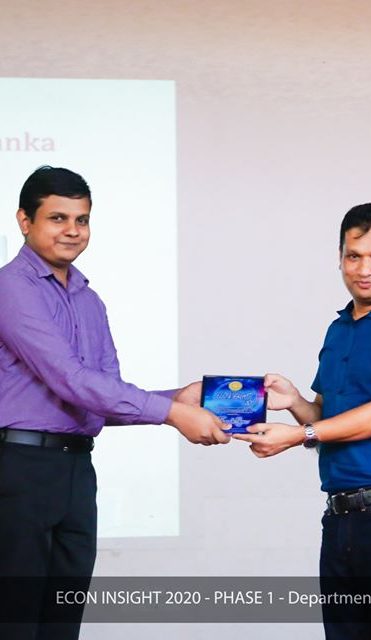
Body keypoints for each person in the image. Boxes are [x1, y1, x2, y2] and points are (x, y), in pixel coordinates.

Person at [0, 166, 230, 640]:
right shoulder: (11, 288)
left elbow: (101, 395)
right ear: (24, 220)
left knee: (62, 624)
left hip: (76, 472)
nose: (72, 230)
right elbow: (70, 379)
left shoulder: (90, 300)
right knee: (15, 621)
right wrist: (173, 414)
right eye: (57, 218)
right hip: (19, 470)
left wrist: (176, 398)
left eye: (81, 220)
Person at [236, 203, 371, 639]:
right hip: (340, 516)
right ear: (340, 258)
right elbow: (328, 419)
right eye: (354, 256)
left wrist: (298, 434)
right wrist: (294, 401)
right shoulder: (338, 329)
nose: (364, 269)